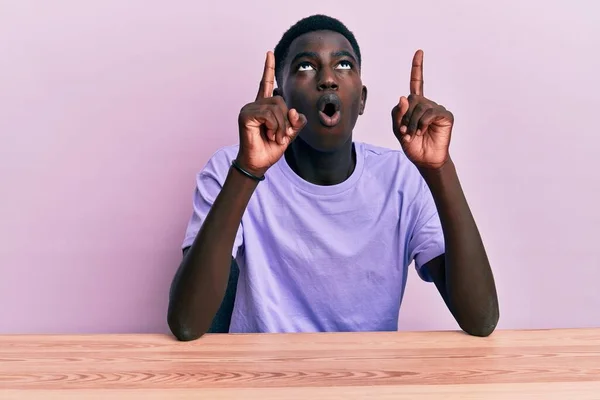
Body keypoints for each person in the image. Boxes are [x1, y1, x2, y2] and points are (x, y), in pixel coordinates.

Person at [167, 14, 499, 341]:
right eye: (305, 66)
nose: (328, 79)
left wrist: (439, 169)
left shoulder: (402, 179)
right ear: (279, 102)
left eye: (343, 65)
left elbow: (480, 318)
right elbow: (186, 323)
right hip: (262, 379)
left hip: (366, 381)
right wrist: (248, 170)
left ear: (362, 100)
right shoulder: (231, 167)